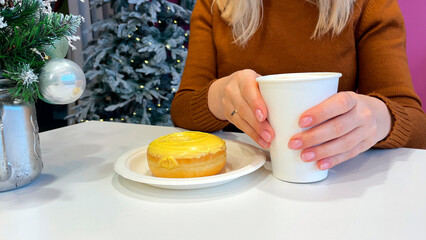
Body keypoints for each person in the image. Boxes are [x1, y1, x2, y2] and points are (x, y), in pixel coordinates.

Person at [171, 0, 426, 170]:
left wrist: (380, 117)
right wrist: (219, 97)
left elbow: (417, 127)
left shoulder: (370, 5)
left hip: (333, 185)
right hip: (236, 181)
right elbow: (182, 111)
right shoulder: (216, 5)